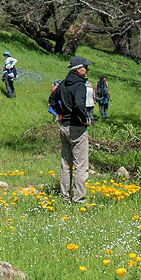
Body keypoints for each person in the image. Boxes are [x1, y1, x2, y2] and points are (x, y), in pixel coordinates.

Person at [51, 56, 93, 202]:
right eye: (85, 67)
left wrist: (61, 113)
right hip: (77, 128)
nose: (87, 69)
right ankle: (79, 199)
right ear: (77, 69)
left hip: (64, 127)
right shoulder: (80, 85)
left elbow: (52, 99)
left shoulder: (62, 84)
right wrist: (85, 118)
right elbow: (79, 104)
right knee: (81, 166)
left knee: (66, 165)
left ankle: (64, 197)